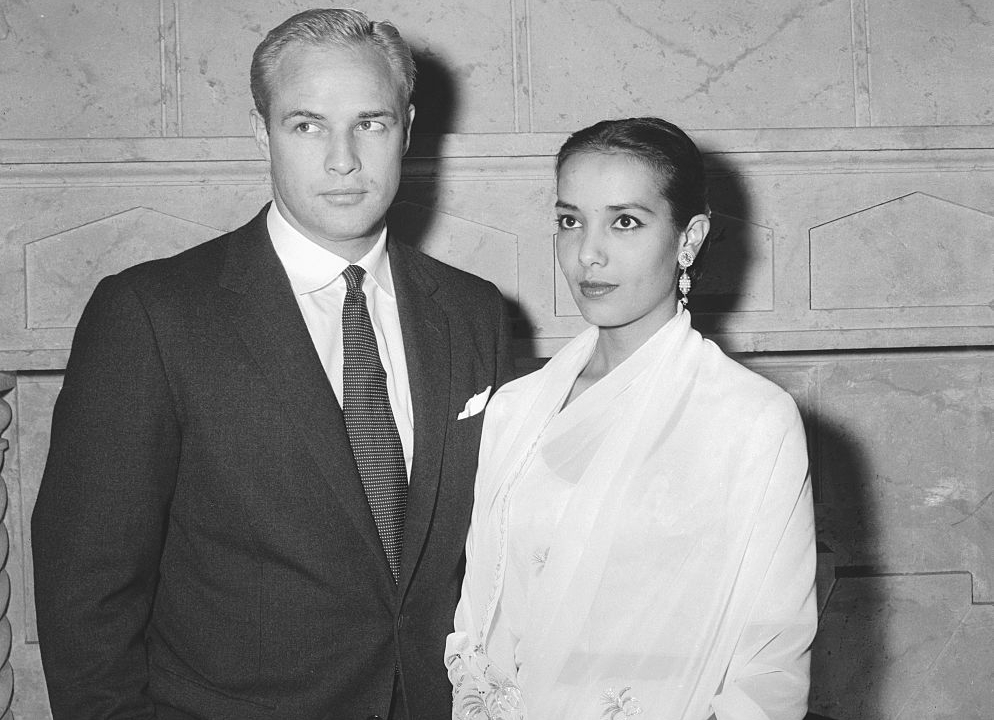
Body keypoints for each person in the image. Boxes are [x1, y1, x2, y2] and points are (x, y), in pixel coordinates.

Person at [32, 8, 512, 720]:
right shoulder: (153, 314)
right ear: (261, 131)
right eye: (307, 124)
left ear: (408, 127)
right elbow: (86, 592)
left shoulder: (474, 313)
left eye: (371, 123)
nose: (343, 158)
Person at [446, 117, 817, 720]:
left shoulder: (749, 420)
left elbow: (770, 663)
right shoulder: (515, 409)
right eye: (571, 221)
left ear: (689, 239)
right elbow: (480, 612)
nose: (588, 253)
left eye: (625, 222)